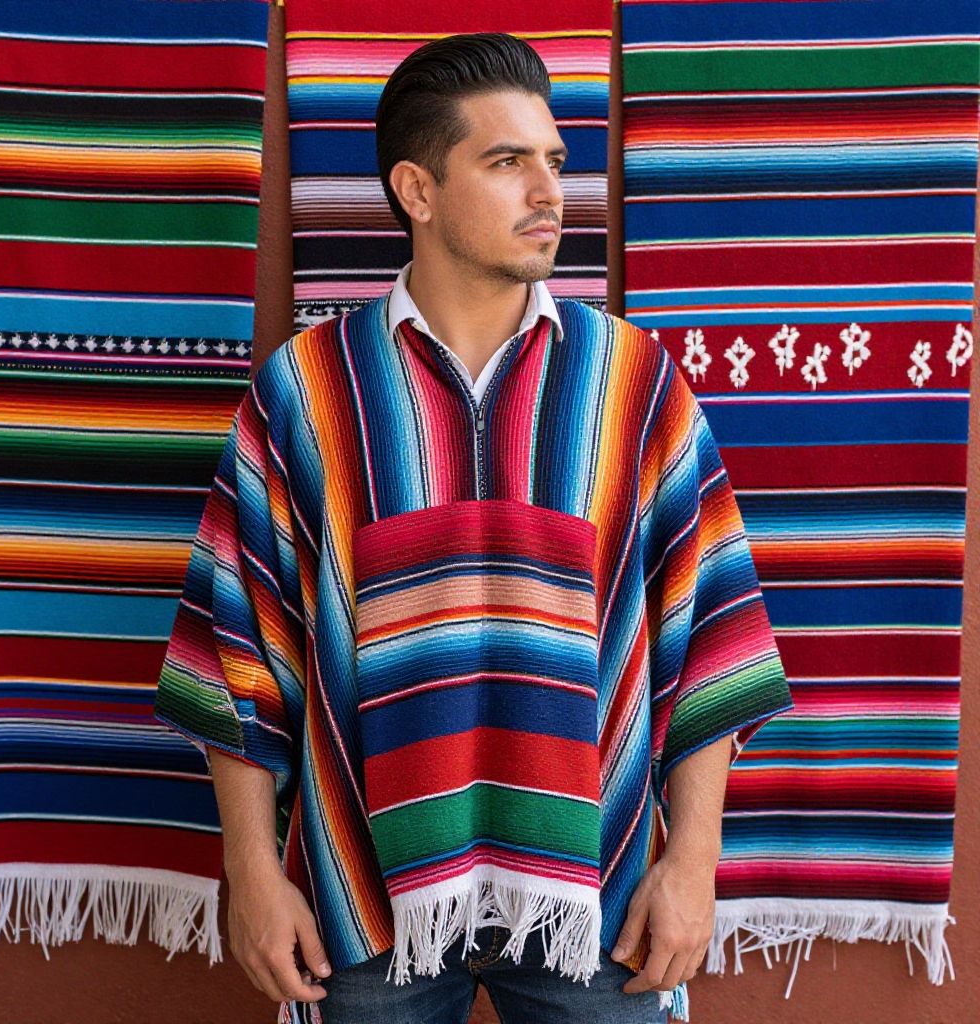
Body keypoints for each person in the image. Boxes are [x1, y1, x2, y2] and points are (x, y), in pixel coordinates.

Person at [154, 31, 793, 1024]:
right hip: (365, 897)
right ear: (416, 189)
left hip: (601, 896)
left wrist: (693, 863)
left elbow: (712, 630)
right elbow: (238, 648)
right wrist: (252, 872)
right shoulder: (309, 391)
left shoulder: (632, 384)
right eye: (506, 162)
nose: (549, 192)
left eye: (555, 161)